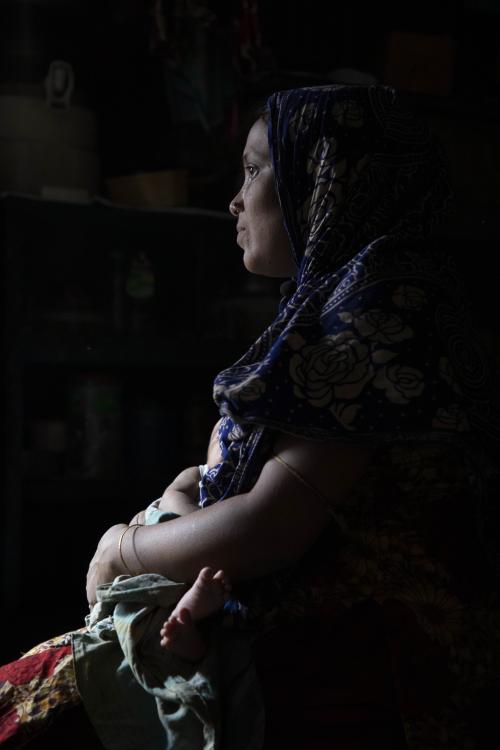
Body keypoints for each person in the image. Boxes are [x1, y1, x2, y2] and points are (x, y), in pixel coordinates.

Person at [2, 83, 500, 750]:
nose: (235, 199)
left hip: (378, 673)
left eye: (255, 168)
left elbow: (270, 527)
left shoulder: (382, 318)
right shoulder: (341, 305)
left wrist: (121, 549)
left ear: (326, 179)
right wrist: (177, 502)